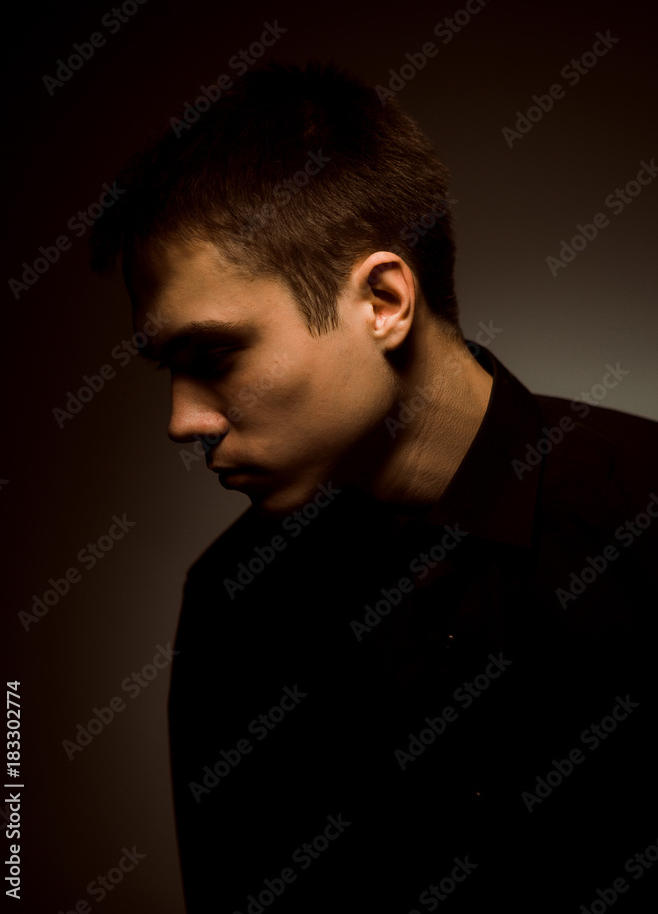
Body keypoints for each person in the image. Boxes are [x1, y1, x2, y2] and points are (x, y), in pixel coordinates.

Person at [90, 62, 658, 913]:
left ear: (385, 300)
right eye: (169, 370)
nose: (182, 422)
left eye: (213, 358)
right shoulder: (232, 607)